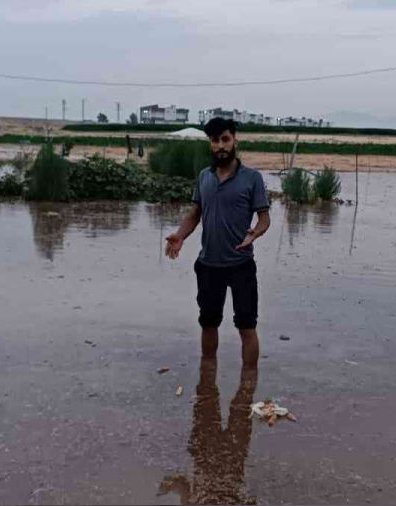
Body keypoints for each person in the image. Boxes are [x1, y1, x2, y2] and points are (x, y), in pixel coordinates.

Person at [164, 118, 270, 369]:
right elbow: (195, 213)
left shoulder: (252, 178)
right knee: (208, 323)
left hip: (241, 265)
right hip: (208, 265)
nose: (220, 145)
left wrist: (254, 233)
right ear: (210, 144)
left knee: (247, 326)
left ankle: (248, 385)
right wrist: (180, 235)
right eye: (215, 140)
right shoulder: (204, 177)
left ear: (234, 140)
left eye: (225, 139)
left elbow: (264, 218)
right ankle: (207, 381)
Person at [158, 358, 257, 504]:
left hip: (212, 474)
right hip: (224, 478)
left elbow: (184, 488)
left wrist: (174, 485)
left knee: (216, 411)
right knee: (247, 336)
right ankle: (249, 370)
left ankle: (210, 363)